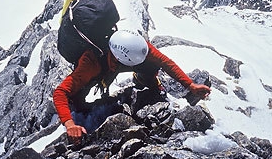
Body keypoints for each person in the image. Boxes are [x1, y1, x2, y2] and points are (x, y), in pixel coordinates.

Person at [53, 30, 211, 145]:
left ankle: (143, 81)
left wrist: (190, 85)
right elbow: (60, 92)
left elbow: (165, 62)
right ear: (118, 59)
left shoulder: (134, 46)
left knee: (150, 65)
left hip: (110, 64)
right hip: (94, 72)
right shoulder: (90, 64)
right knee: (77, 105)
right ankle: (78, 117)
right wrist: (70, 124)